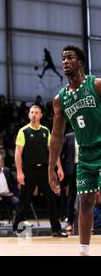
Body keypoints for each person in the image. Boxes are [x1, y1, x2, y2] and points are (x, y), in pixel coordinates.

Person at [48, 45, 101, 256]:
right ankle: (84, 251)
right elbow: (56, 135)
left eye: (70, 58)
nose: (65, 61)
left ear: (80, 62)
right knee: (85, 201)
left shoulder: (95, 85)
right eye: (63, 58)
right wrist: (51, 166)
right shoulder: (60, 99)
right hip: (85, 155)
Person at [13, 104, 67, 237]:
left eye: (36, 112)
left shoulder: (45, 131)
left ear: (41, 115)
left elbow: (53, 152)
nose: (34, 115)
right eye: (31, 112)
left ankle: (56, 230)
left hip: (44, 170)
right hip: (29, 170)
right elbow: (17, 154)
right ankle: (18, 229)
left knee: (51, 199)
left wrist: (59, 167)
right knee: (24, 200)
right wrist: (19, 172)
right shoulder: (23, 131)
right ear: (29, 115)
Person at [60, 131, 78, 232]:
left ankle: (89, 223)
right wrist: (61, 169)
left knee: (87, 196)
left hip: (85, 168)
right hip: (72, 169)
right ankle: (70, 222)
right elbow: (62, 154)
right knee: (72, 196)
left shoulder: (87, 134)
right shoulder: (69, 136)